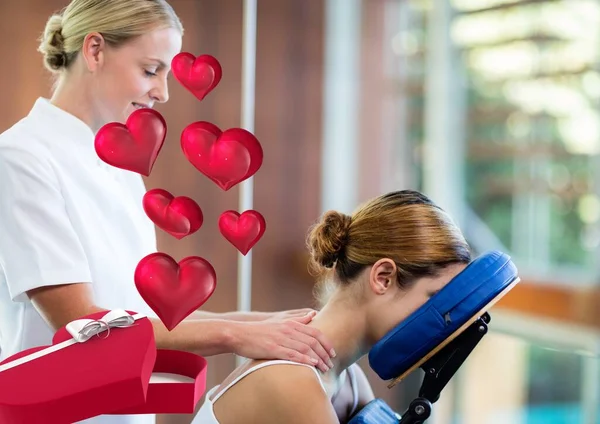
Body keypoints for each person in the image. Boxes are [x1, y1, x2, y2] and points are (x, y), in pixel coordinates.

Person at [0, 1, 335, 423]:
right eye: (150, 70)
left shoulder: (116, 163)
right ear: (95, 50)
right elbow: (84, 325)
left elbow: (137, 315)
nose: (163, 92)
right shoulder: (21, 157)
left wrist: (266, 322)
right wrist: (237, 335)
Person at [194, 190, 473, 424]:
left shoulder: (349, 380)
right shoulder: (294, 382)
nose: (443, 320)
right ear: (383, 278)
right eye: (434, 297)